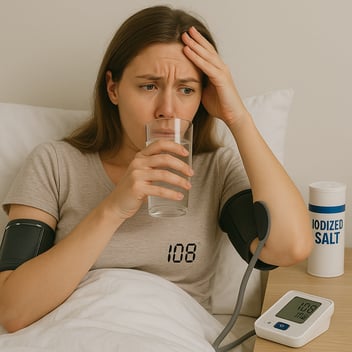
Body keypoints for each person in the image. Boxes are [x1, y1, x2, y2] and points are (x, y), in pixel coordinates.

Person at [0, 5, 312, 333]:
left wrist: (238, 118)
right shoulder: (55, 164)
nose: (167, 109)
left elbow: (289, 247)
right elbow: (12, 310)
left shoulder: (214, 170)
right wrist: (113, 209)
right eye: (149, 86)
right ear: (113, 88)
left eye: (187, 90)